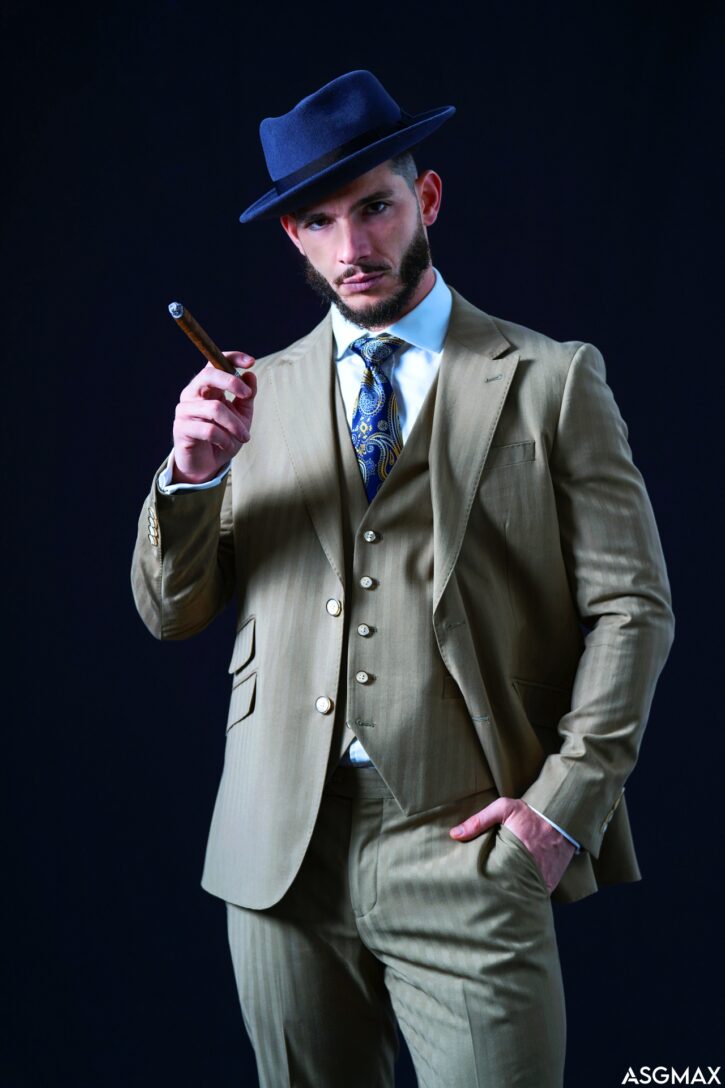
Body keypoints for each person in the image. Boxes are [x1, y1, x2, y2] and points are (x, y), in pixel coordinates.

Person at [131, 70, 675, 1088]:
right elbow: (172, 611)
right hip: (278, 855)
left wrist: (562, 807)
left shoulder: (549, 378)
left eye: (374, 206)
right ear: (293, 237)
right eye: (319, 221)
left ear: (424, 198)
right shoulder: (253, 397)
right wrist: (190, 475)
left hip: (465, 844)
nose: (353, 245)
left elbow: (632, 608)